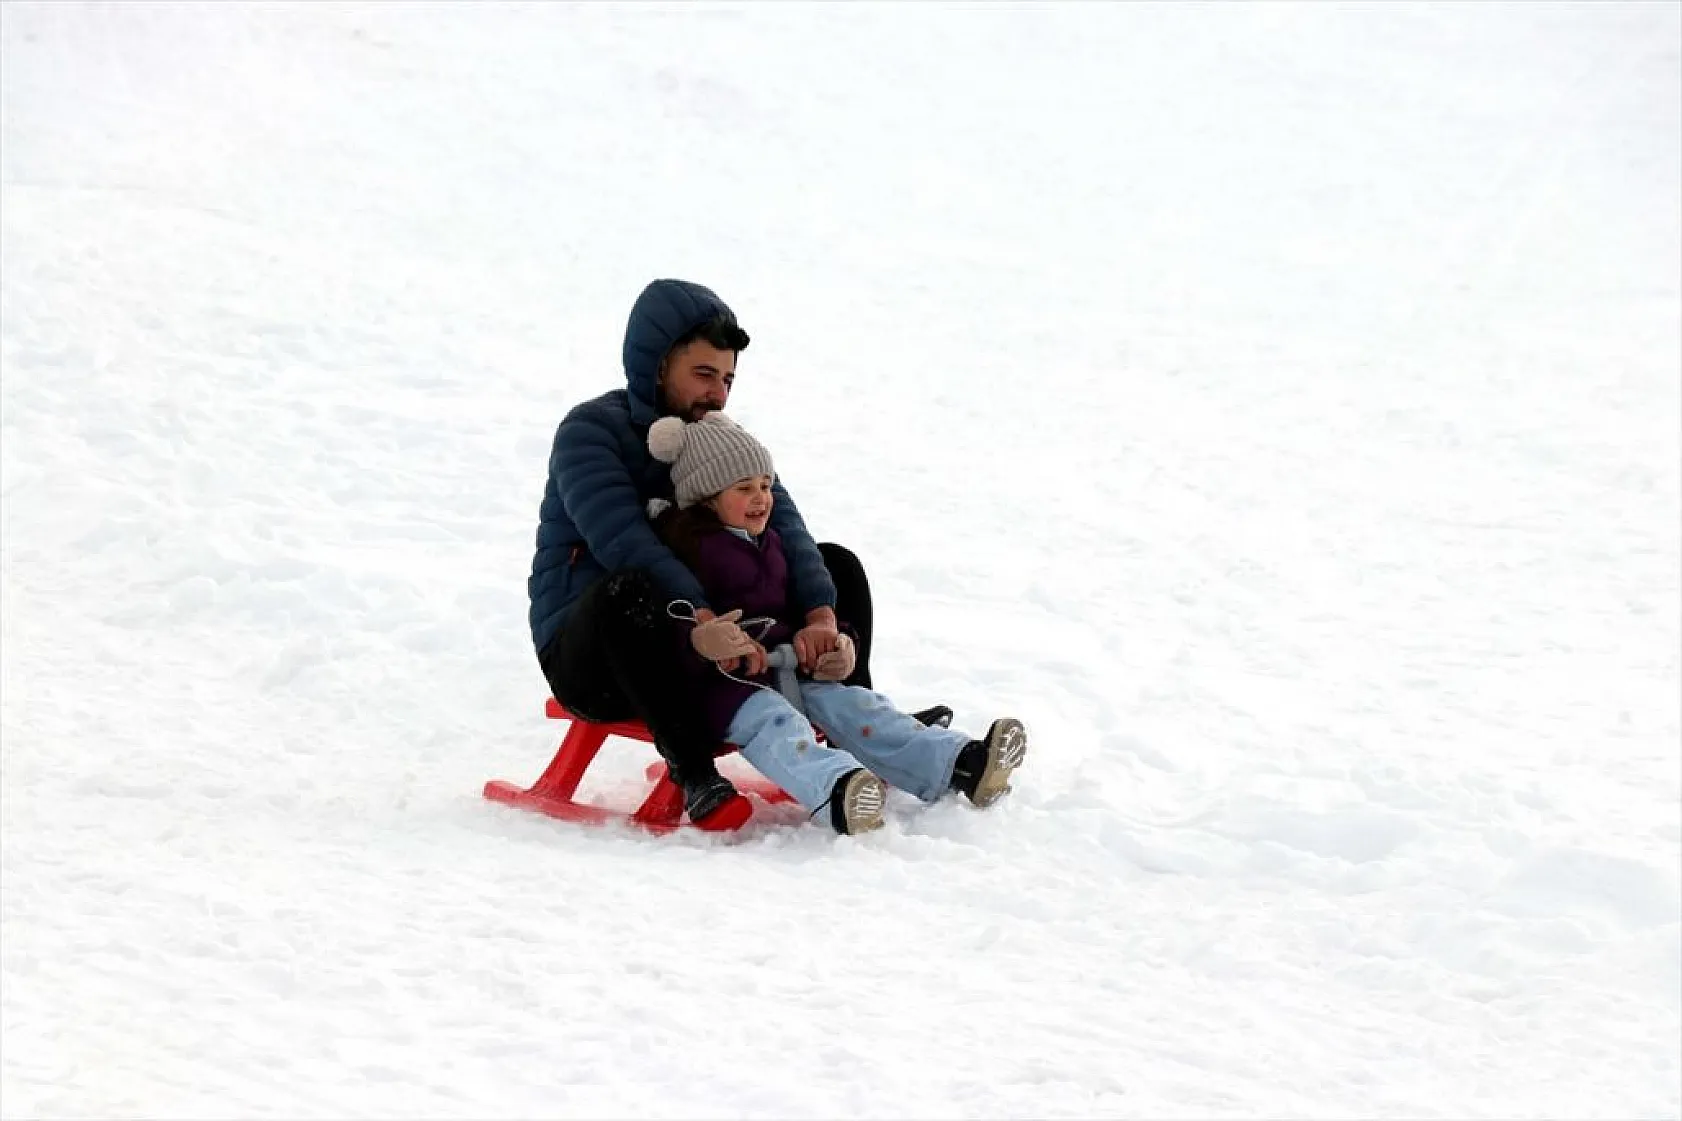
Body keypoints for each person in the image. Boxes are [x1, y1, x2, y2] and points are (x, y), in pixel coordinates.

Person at [527, 278, 949, 831]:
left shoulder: (720, 437)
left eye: (727, 378)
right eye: (704, 375)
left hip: (707, 646)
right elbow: (623, 540)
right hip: (598, 653)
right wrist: (700, 618)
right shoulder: (591, 434)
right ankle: (694, 770)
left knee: (833, 562)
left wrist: (822, 616)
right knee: (629, 588)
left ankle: (862, 720)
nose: (719, 394)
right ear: (656, 366)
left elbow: (789, 529)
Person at [645, 410, 1030, 834]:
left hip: (791, 670)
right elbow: (670, 627)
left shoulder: (772, 543)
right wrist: (717, 645)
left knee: (859, 707)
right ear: (708, 497)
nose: (762, 498)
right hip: (726, 691)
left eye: (766, 486)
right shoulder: (689, 551)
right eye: (745, 488)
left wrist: (834, 641)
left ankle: (961, 765)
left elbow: (794, 612)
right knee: (778, 724)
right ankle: (838, 791)